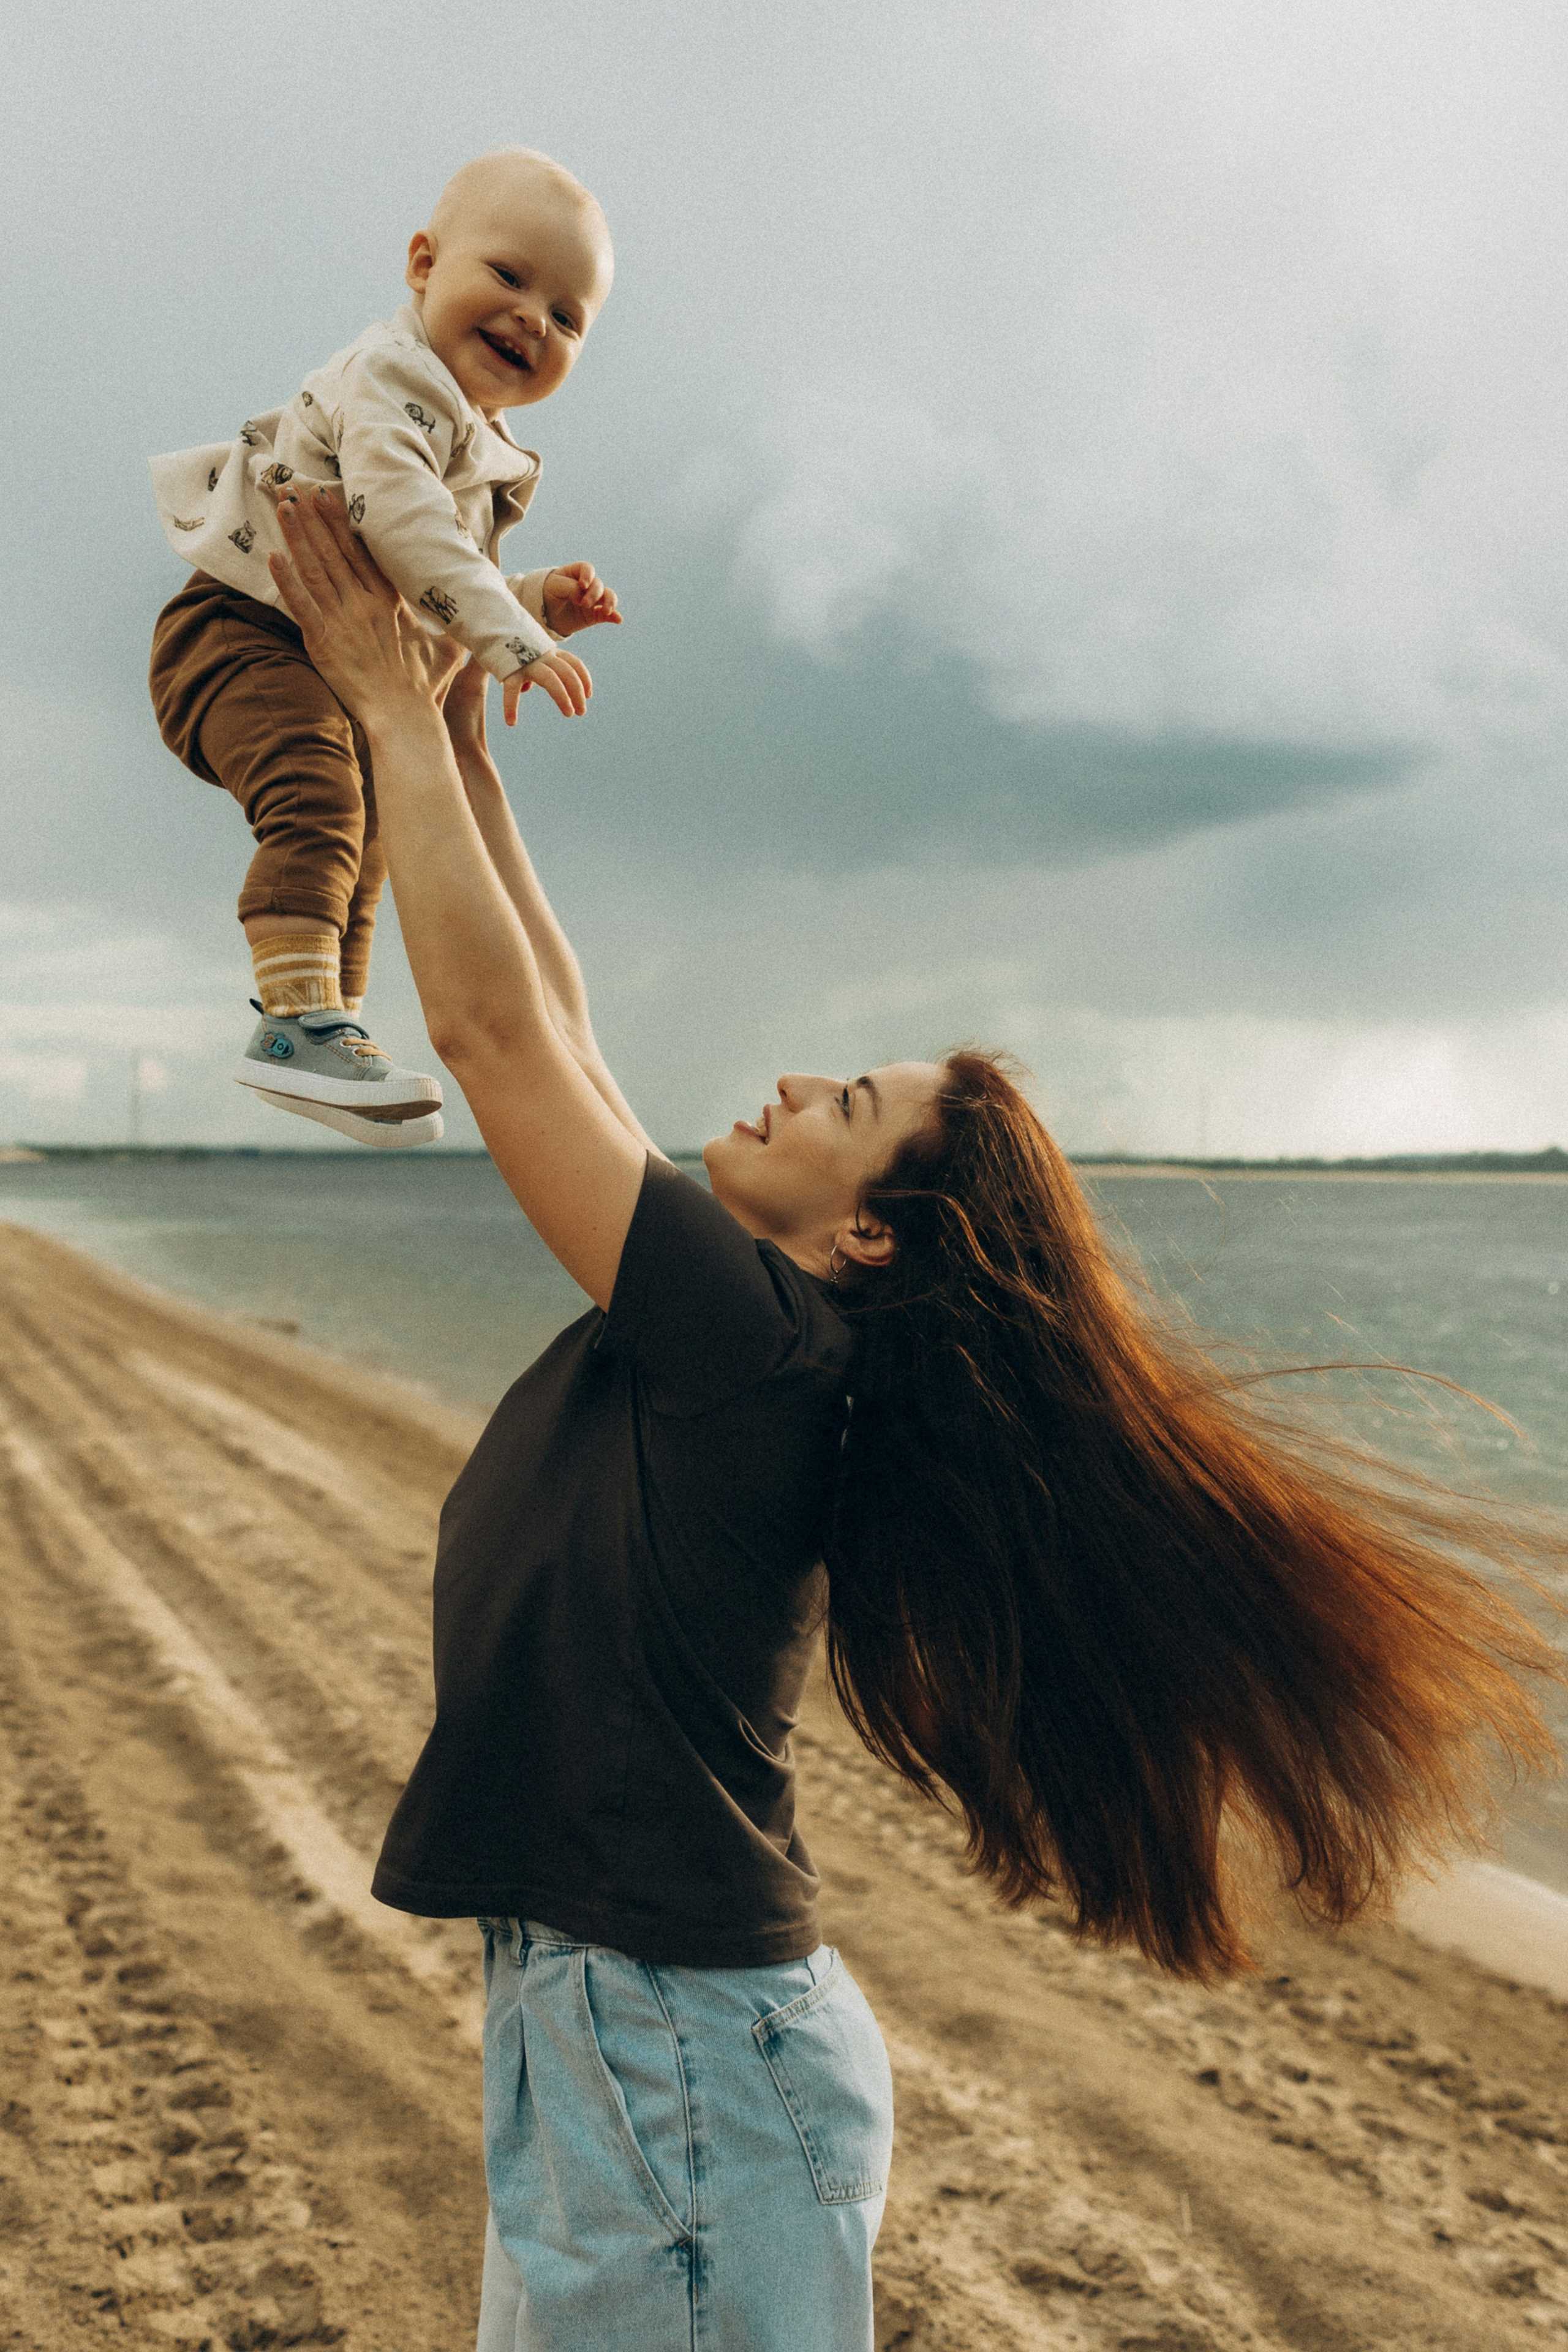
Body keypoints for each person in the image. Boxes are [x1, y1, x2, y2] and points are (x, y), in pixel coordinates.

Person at [268, 486, 1559, 2352]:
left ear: (865, 1229)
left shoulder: (760, 1345)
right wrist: (464, 740)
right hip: (625, 2031)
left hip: (678, 2057)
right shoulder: (748, 1325)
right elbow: (555, 1019)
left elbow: (492, 1046)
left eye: (849, 1094)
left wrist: (385, 706)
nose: (793, 1076)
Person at [146, 148, 620, 1147]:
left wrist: (536, 598)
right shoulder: (397, 374)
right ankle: (293, 1027)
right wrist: (513, 635)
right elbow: (401, 523)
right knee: (321, 799)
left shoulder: (478, 440)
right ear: (422, 266)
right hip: (239, 635)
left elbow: (435, 580)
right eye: (509, 276)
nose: (536, 315)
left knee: (370, 840)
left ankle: (329, 1026)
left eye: (569, 316)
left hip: (320, 655)